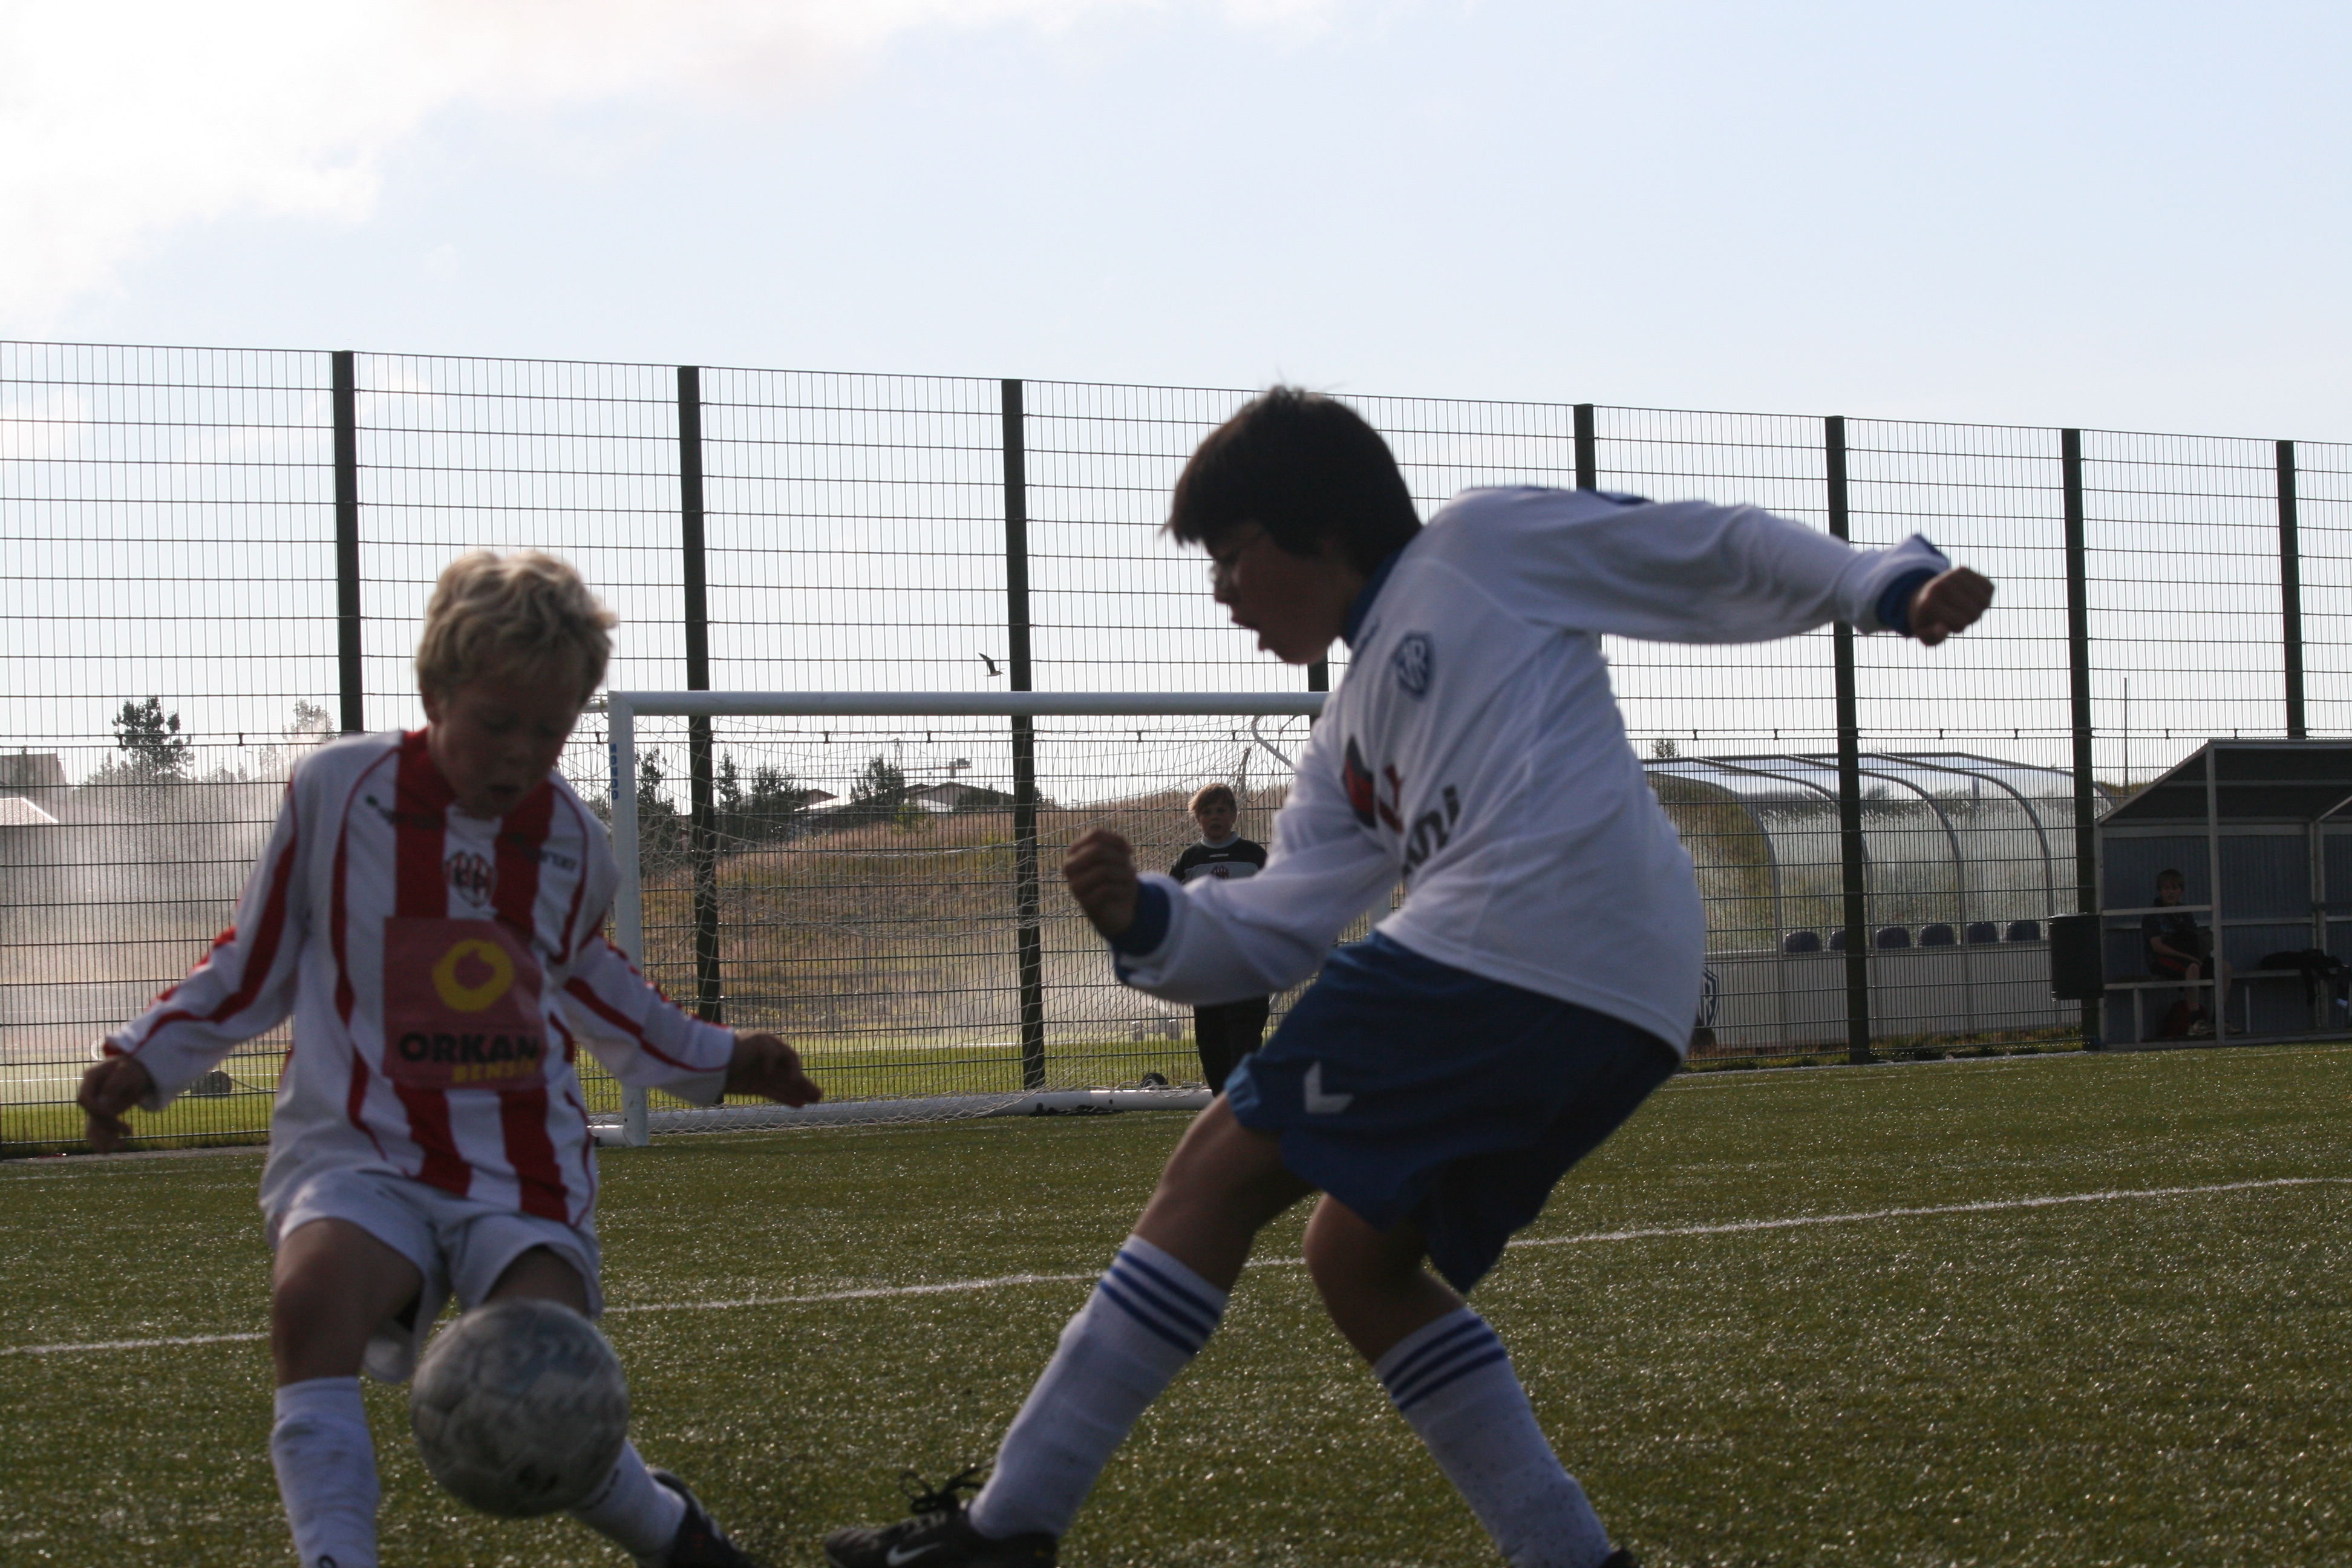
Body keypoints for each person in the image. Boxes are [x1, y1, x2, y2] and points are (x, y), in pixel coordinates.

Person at [820, 388, 1994, 1568]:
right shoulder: (1344, 739)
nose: (1222, 591)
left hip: (1520, 946)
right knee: (1357, 1260)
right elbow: (1281, 924)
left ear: (1319, 525)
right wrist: (1148, 920)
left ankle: (1008, 1528)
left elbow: (1701, 545)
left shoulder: (1477, 546)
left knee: (1213, 1172)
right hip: (1628, 998)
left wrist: (1880, 582)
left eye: (1232, 554)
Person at [77, 551, 820, 1568]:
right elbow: (255, 963)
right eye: (497, 722)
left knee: (542, 1380)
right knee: (311, 1303)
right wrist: (146, 1056)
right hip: (359, 1151)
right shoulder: (338, 792)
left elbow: (596, 986)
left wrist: (725, 1057)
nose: (521, 754)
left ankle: (670, 1533)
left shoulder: (573, 843)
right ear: (434, 694)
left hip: (518, 1169)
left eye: (549, 730)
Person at [1167, 782, 1272, 1091]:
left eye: (1222, 811)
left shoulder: (1254, 856)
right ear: (1198, 818)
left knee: (1244, 1044)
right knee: (1212, 1048)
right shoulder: (1190, 860)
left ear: (1234, 816)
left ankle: (1243, 1108)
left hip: (1248, 968)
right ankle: (1224, 1105)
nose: (1215, 817)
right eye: (1208, 812)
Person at [2143, 867, 2216, 1037]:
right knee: (2192, 967)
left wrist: (2200, 952)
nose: (2170, 892)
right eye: (2166, 888)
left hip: (2190, 958)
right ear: (2160, 891)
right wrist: (2189, 957)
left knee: (2223, 968)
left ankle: (2220, 1019)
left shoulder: (2184, 913)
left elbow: (2193, 938)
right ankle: (2195, 1021)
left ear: (2181, 891)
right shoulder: (2152, 915)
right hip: (2161, 959)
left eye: (2174, 888)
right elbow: (2157, 947)